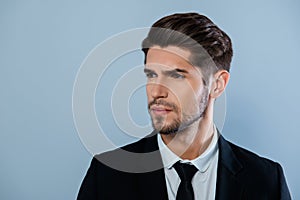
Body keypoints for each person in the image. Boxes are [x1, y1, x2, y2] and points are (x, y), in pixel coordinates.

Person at [77, 12, 291, 200]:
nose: (157, 91)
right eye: (151, 75)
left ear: (217, 85)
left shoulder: (266, 181)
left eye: (176, 76)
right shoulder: (106, 175)